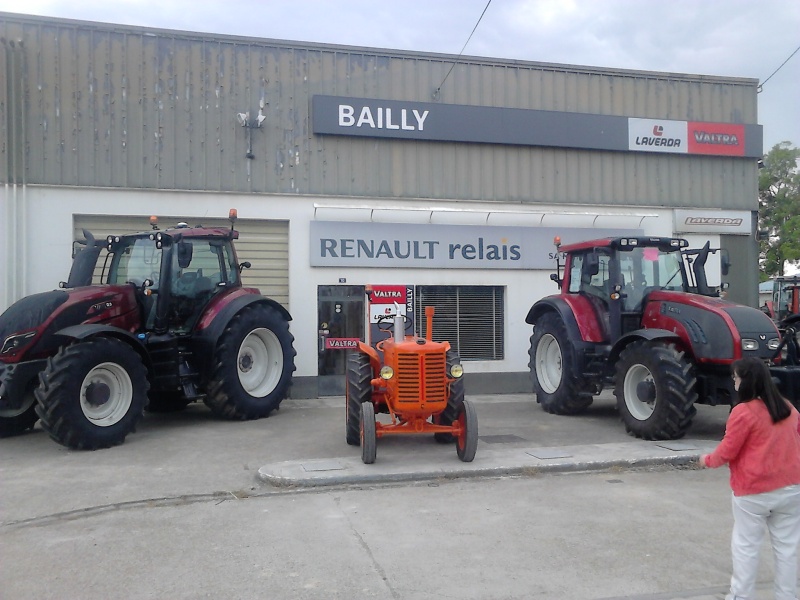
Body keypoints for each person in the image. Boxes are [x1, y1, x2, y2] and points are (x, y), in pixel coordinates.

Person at [699, 357, 800, 600]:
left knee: (746, 547)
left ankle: (740, 596)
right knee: (787, 549)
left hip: (753, 492)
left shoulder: (743, 412)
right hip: (791, 488)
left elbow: (728, 450)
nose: (734, 382)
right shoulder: (788, 408)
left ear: (746, 381)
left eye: (735, 377)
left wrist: (707, 460)